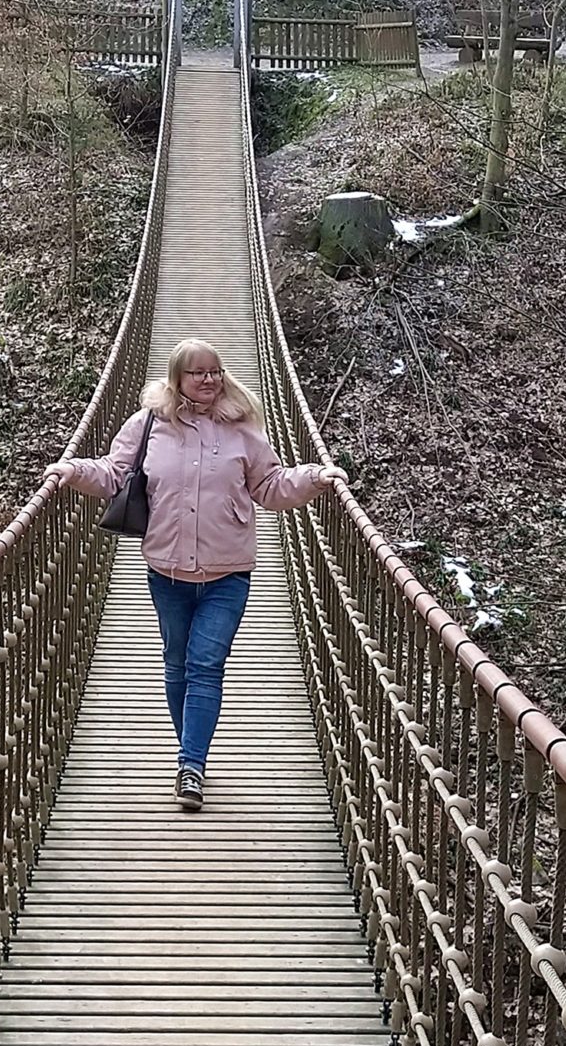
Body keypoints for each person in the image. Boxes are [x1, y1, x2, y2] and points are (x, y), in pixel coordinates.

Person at [45, 339, 343, 811]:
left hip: (228, 573)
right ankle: (190, 750)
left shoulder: (243, 429)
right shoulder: (148, 425)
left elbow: (270, 485)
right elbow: (112, 473)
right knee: (177, 663)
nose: (208, 380)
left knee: (206, 664)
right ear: (176, 379)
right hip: (166, 568)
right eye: (197, 373)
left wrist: (315, 478)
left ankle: (191, 766)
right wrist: (71, 470)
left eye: (215, 371)